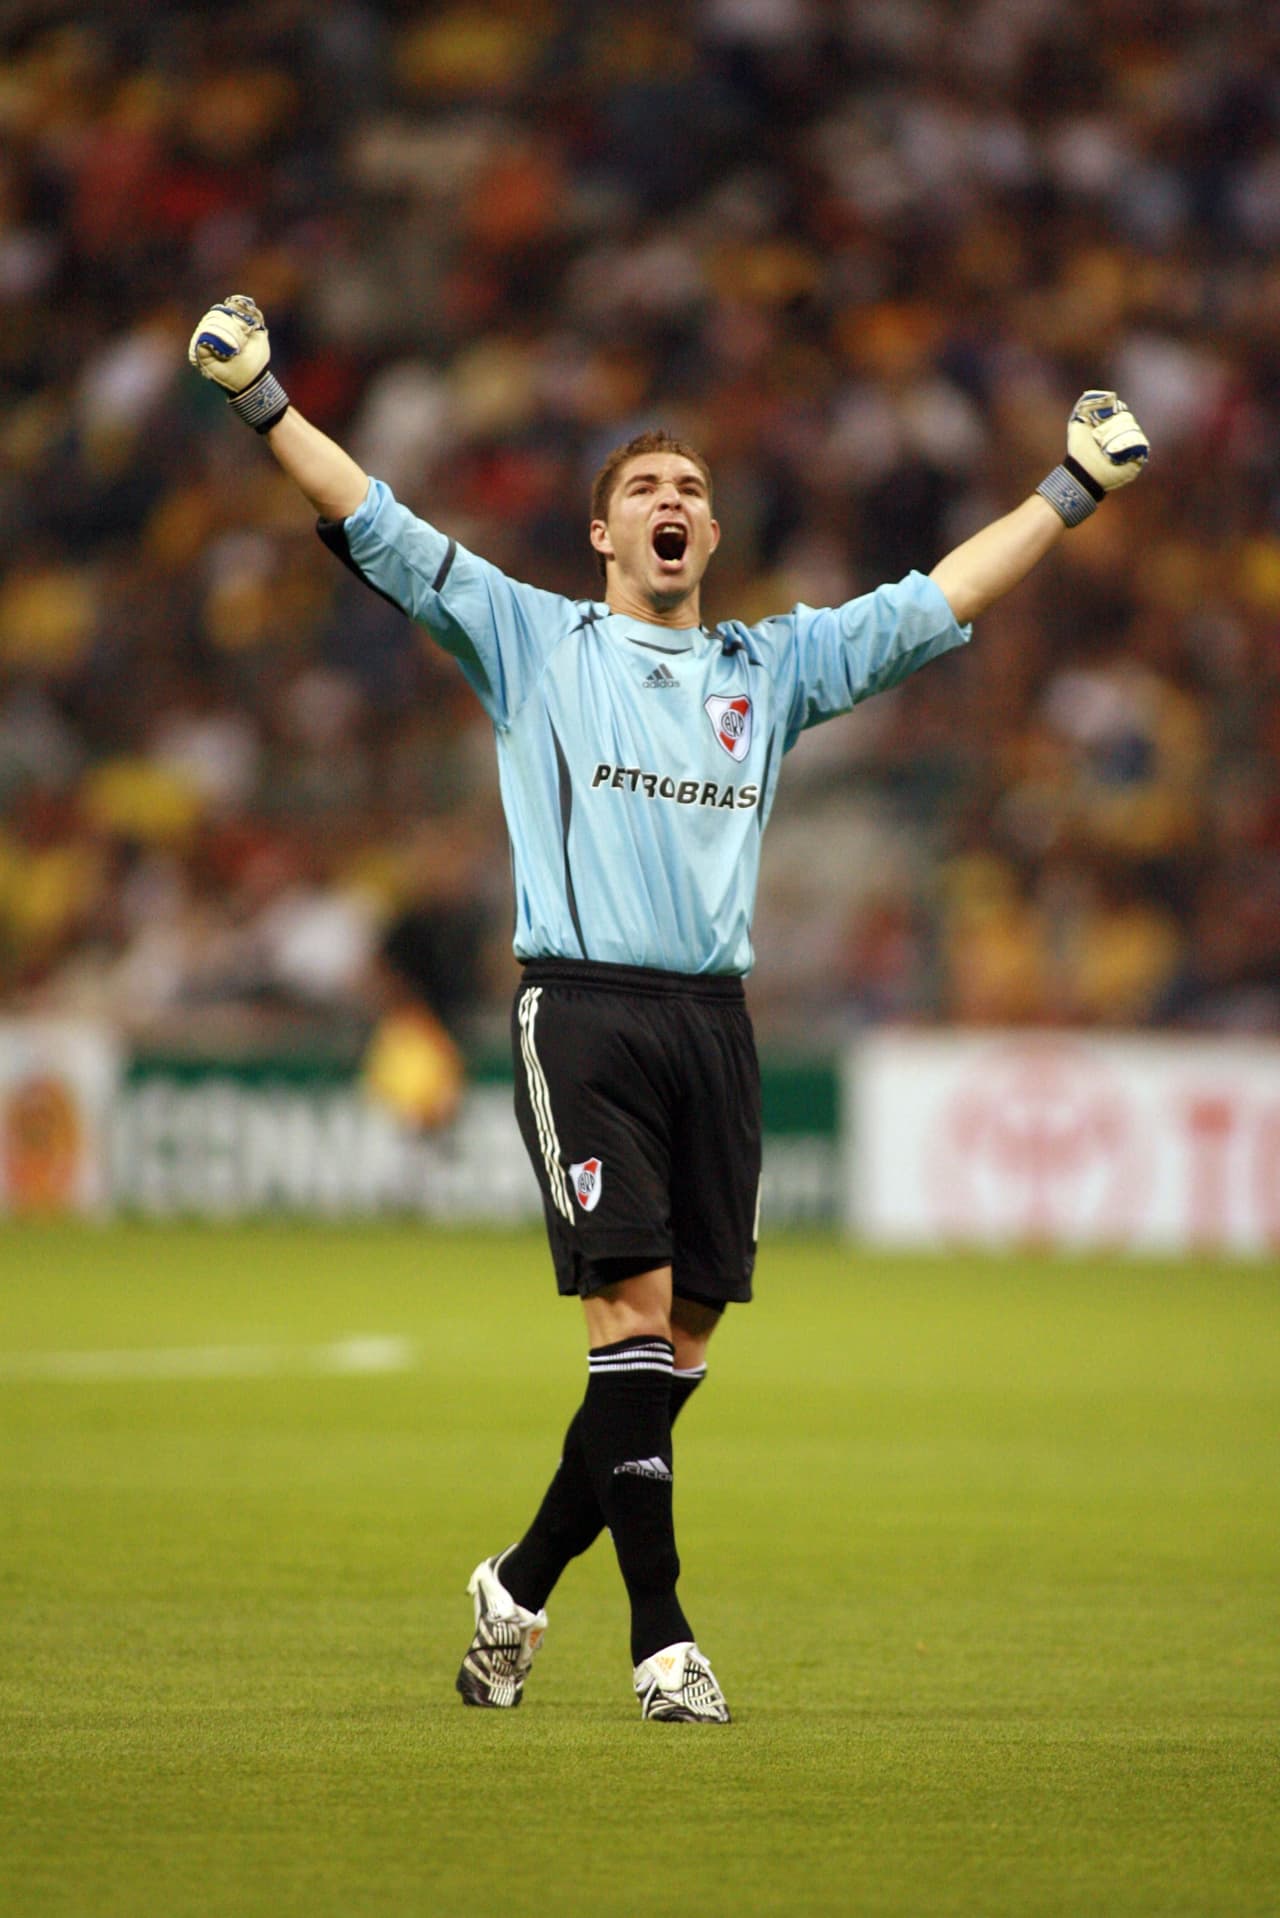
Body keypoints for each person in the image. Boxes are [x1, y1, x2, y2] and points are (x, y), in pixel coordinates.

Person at [189, 295, 1149, 1723]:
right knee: (627, 1325)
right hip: (580, 1009)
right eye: (645, 487)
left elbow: (938, 599)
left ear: (707, 533)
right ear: (602, 534)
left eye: (690, 486)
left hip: (716, 1023)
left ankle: (513, 1586)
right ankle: (663, 1638)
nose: (673, 499)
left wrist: (1066, 493)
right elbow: (375, 519)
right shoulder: (534, 639)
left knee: (672, 1354)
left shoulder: (770, 670)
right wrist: (263, 398)